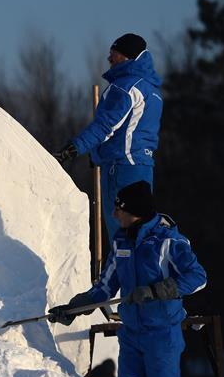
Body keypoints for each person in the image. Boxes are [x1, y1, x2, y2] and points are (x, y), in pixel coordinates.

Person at [48, 181, 207, 377]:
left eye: (119, 209)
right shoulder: (122, 241)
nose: (114, 214)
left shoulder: (168, 242)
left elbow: (198, 277)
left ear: (135, 212)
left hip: (162, 336)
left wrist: (156, 291)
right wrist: (76, 307)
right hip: (131, 334)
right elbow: (105, 287)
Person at [53, 33, 162, 244]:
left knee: (121, 235)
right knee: (141, 232)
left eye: (114, 53)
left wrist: (73, 148)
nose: (109, 59)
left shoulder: (125, 87)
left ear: (127, 57)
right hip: (142, 167)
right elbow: (130, 132)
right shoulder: (151, 90)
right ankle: (139, 275)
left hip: (121, 169)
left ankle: (121, 276)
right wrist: (98, 154)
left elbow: (106, 126)